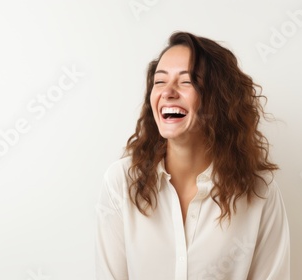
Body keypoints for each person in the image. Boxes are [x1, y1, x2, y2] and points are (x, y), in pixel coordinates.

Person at [95, 31, 290, 280]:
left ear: (218, 99)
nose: (168, 92)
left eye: (186, 82)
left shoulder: (260, 190)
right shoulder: (121, 181)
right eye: (160, 81)